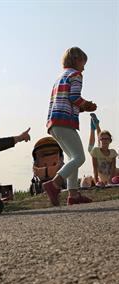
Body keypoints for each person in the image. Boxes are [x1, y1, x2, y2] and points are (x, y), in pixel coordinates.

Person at [43, 47, 97, 206]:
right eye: (83, 63)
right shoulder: (76, 75)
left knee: (72, 158)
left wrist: (81, 108)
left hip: (54, 122)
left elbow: (65, 100)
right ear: (76, 60)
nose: (84, 68)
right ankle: (54, 184)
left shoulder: (60, 77)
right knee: (79, 157)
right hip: (64, 122)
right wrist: (86, 105)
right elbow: (74, 97)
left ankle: (73, 195)